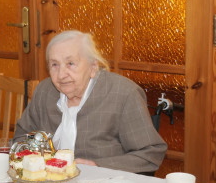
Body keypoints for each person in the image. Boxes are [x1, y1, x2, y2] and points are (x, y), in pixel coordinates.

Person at [15, 30, 167, 173]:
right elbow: (21, 137)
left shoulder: (124, 94)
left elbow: (150, 153)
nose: (61, 75)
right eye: (54, 65)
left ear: (93, 66)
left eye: (71, 64)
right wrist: (36, 159)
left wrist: (98, 167)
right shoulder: (45, 91)